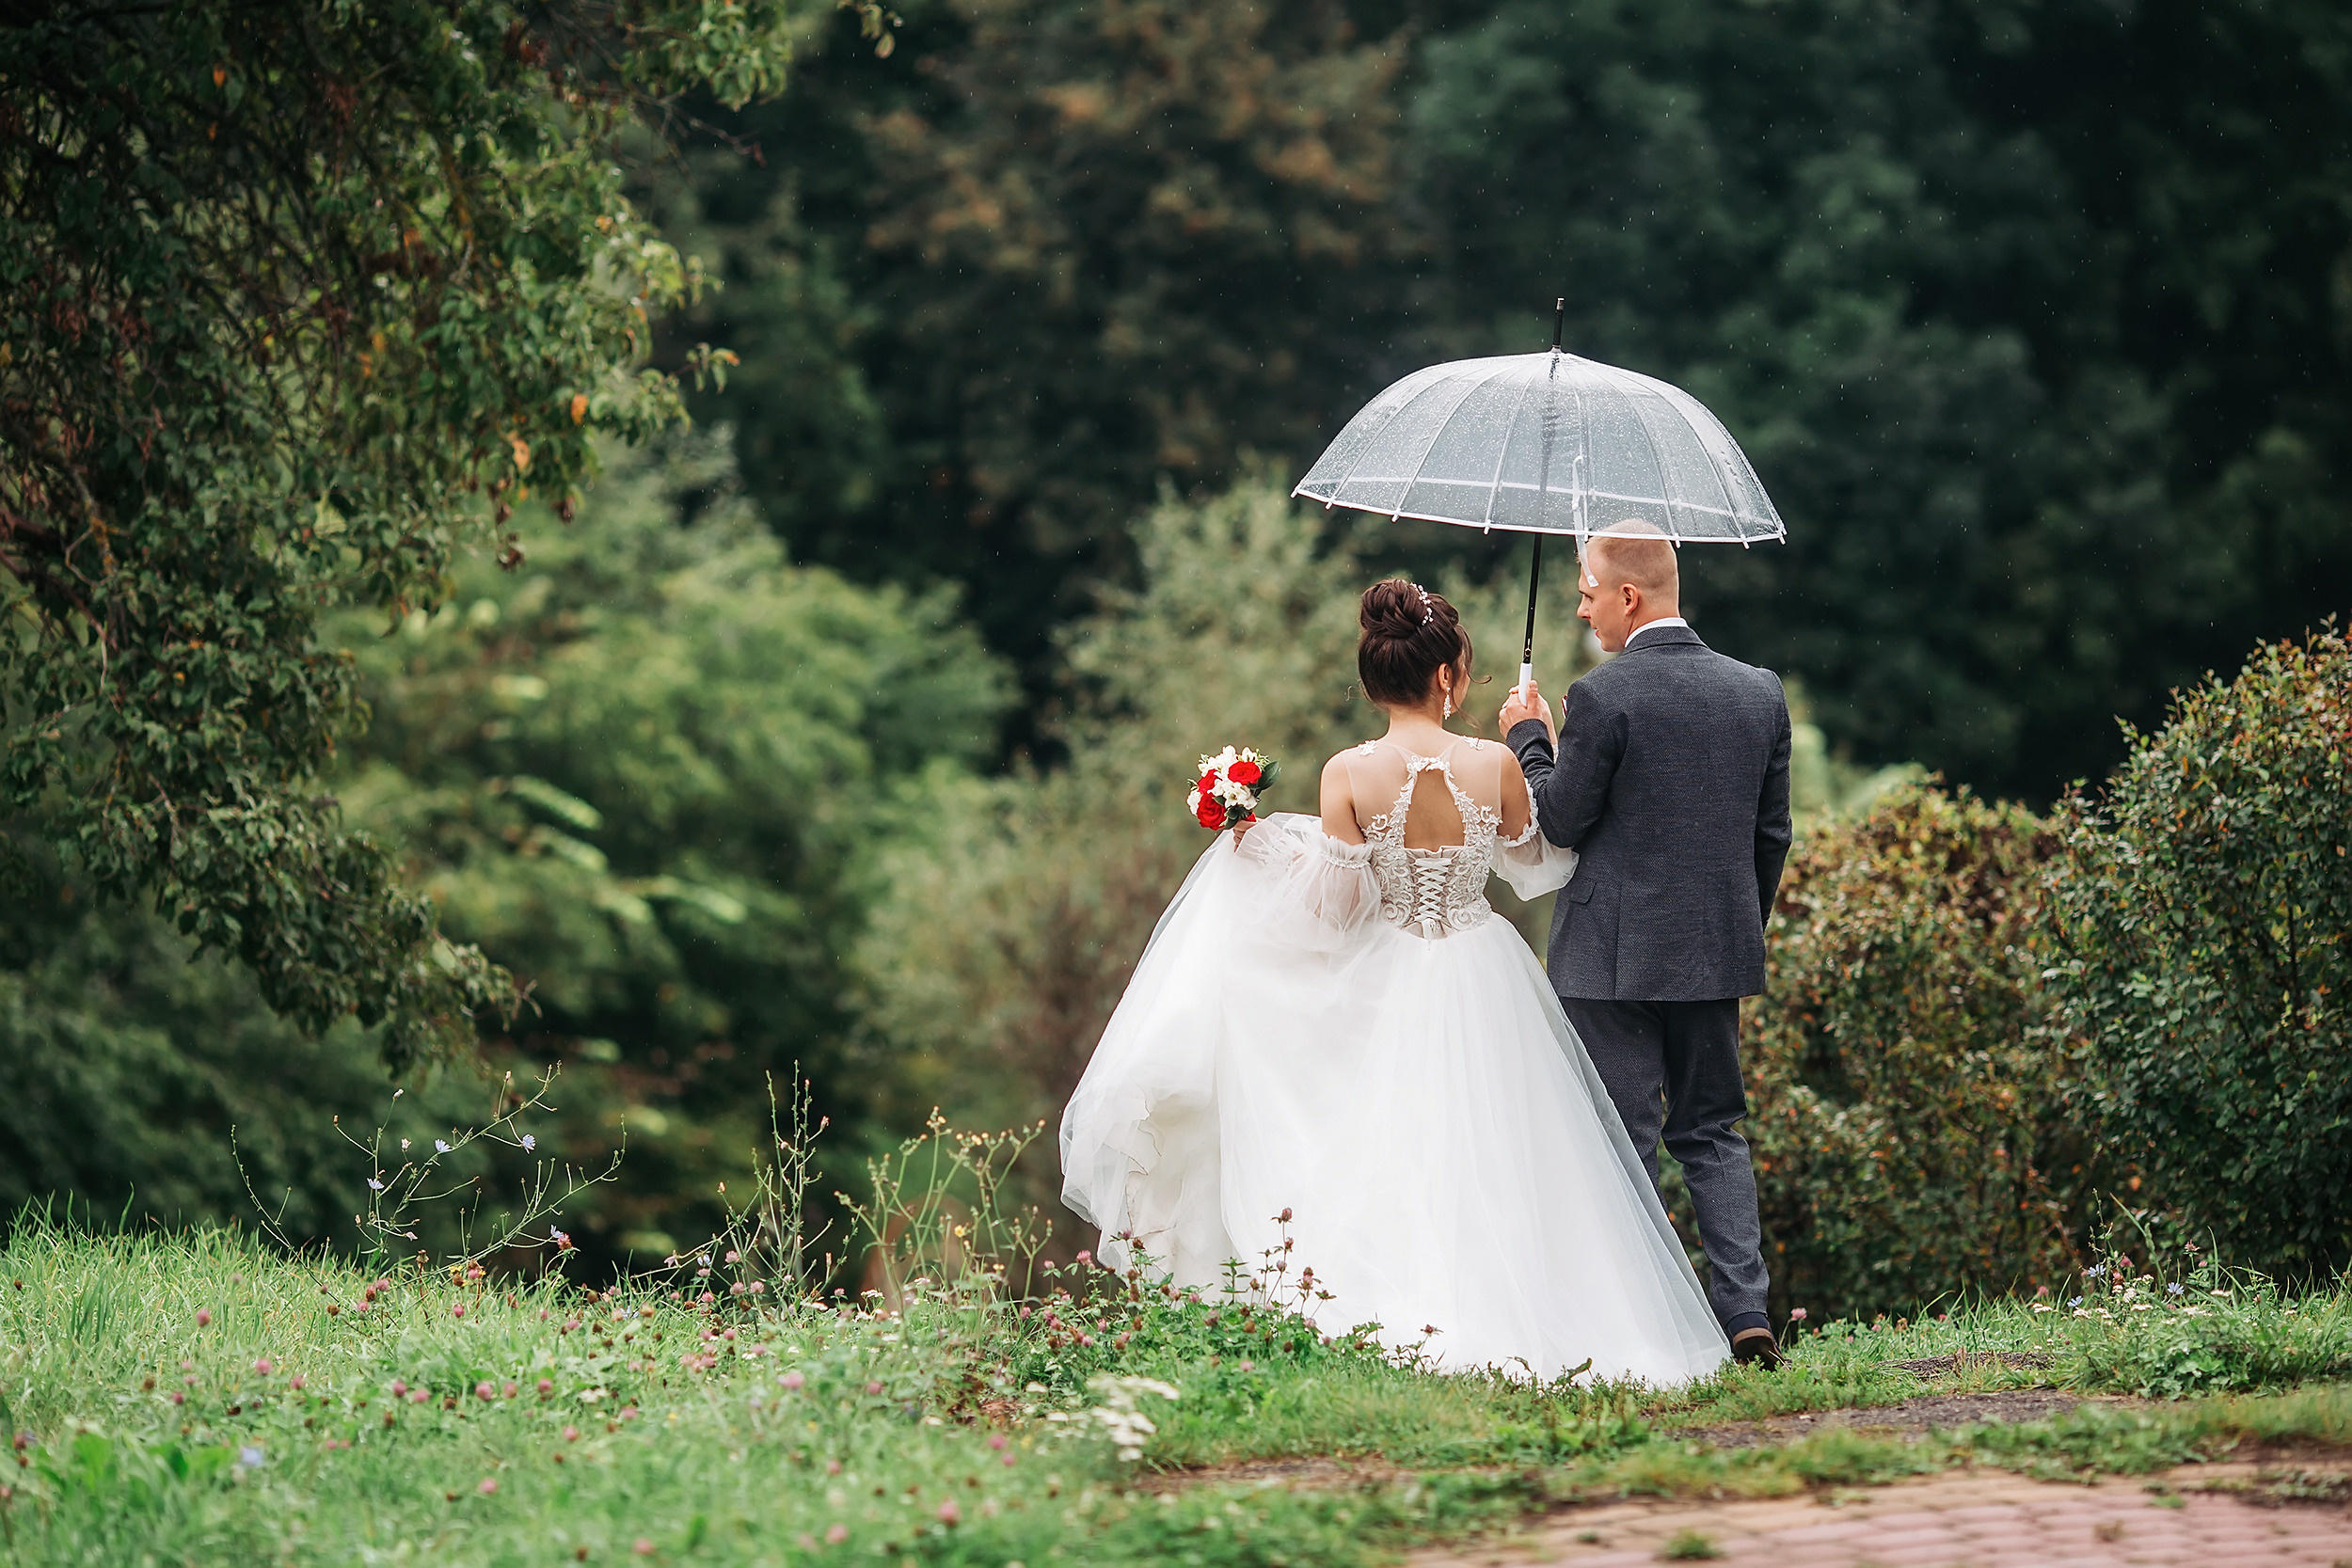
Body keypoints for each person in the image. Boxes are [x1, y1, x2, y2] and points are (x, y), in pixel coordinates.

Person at [1058, 579, 1729, 1385]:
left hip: (1391, 975)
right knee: (1509, 1150)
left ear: (1376, 677)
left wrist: (1269, 848)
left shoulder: (1347, 772)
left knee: (1394, 1145)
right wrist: (1537, 740)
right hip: (1486, 973)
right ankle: (1531, 1314)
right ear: (1448, 675)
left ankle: (1406, 1311)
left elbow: (1337, 910)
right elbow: (1537, 868)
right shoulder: (1490, 763)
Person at [1499, 522, 1792, 1368]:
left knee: (1622, 1136)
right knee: (1712, 1132)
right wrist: (1734, 928)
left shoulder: (1603, 695)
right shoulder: (1758, 692)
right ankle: (1745, 1317)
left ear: (1629, 596)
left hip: (1609, 961)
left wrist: (1530, 738)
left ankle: (1635, 1329)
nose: (1584, 609)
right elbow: (1771, 836)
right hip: (1712, 952)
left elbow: (1560, 817)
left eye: (1589, 592)